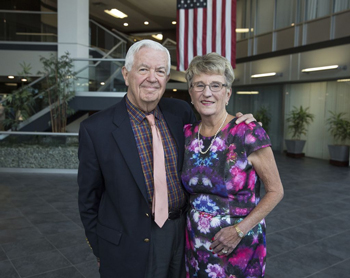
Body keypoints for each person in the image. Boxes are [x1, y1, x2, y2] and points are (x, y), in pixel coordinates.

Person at [78, 40, 257, 278]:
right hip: (128, 242)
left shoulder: (179, 112)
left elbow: (211, 131)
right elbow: (88, 199)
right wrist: (101, 249)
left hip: (183, 234)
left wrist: (241, 123)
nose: (152, 78)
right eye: (143, 69)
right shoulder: (96, 129)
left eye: (160, 71)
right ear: (126, 73)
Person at [181, 53, 284, 278]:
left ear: (227, 93)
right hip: (195, 243)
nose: (207, 92)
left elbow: (276, 191)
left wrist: (238, 231)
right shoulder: (187, 134)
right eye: (199, 85)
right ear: (191, 93)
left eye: (215, 85)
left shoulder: (248, 132)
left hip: (239, 245)